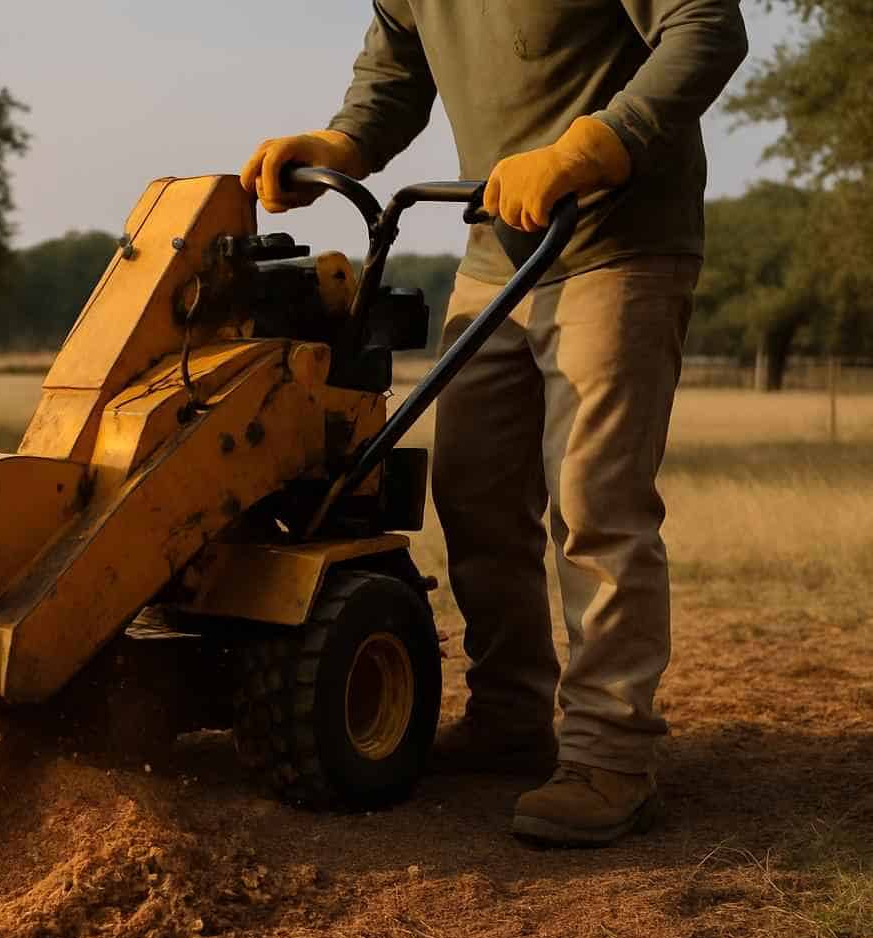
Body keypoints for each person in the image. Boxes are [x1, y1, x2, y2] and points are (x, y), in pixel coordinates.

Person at [240, 2, 748, 846]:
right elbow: (395, 75)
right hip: (496, 250)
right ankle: (512, 714)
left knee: (596, 500)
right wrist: (343, 144)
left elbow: (707, 29)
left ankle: (609, 755)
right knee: (472, 491)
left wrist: (593, 144)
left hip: (617, 241)